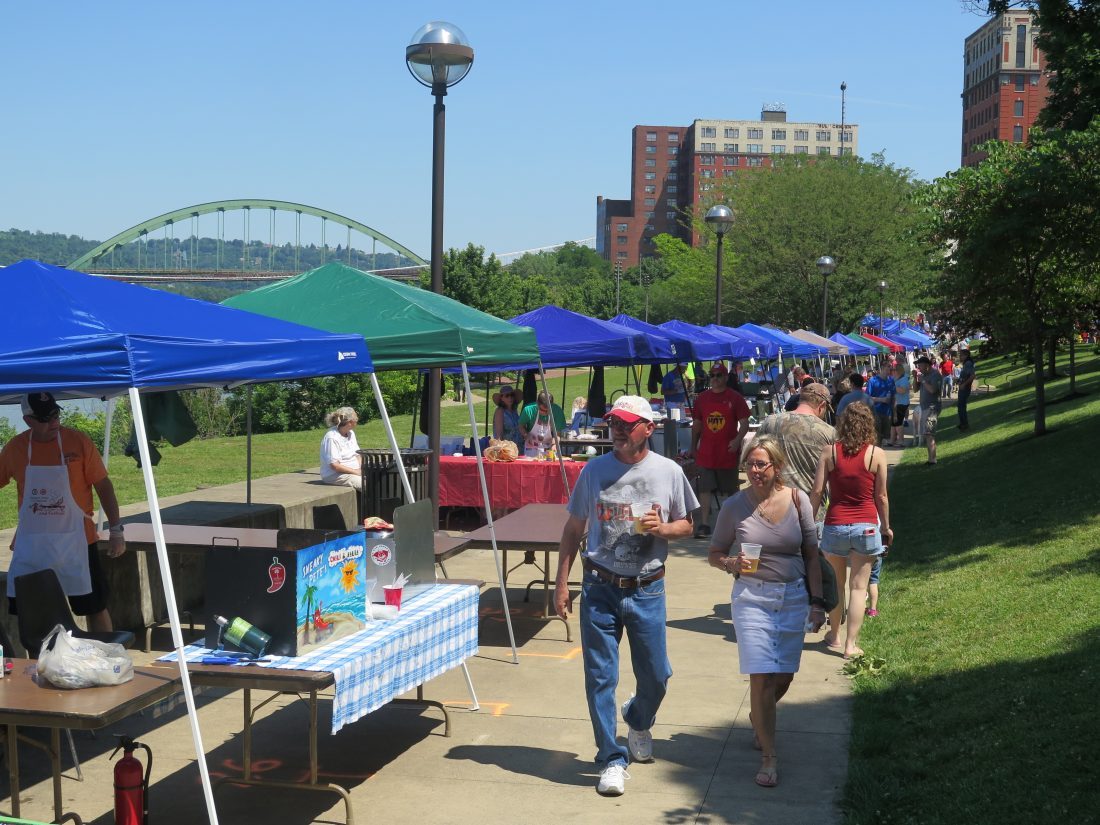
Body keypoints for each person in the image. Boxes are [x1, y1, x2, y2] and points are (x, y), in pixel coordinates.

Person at [553, 396, 697, 796]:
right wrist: (562, 583)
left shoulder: (668, 472)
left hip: (648, 588)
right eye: (613, 422)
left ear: (648, 428)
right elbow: (572, 530)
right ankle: (611, 759)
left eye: (627, 424)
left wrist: (662, 530)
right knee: (600, 677)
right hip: (599, 586)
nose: (617, 429)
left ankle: (637, 717)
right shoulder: (594, 471)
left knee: (657, 675)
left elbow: (688, 525)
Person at [708, 436, 826, 789]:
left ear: (777, 467)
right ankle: (769, 757)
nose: (755, 470)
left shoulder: (797, 499)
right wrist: (732, 562)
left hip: (792, 597)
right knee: (760, 675)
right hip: (751, 598)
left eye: (762, 464)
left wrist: (817, 602)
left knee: (783, 676)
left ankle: (759, 716)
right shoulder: (733, 506)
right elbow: (714, 553)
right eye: (750, 464)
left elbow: (811, 554)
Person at [0, 392, 126, 633]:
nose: (54, 422)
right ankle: (43, 663)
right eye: (45, 418)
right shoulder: (16, 448)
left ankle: (106, 660)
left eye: (56, 414)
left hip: (78, 542)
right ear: (28, 420)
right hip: (33, 546)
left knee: (94, 605)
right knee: (34, 610)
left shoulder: (78, 442)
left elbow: (104, 485)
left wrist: (117, 530)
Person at [810, 403, 891, 659]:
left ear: (842, 424)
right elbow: (882, 496)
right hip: (866, 526)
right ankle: (850, 645)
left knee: (836, 585)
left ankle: (833, 635)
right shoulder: (876, 455)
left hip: (835, 525)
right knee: (859, 588)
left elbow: (816, 491)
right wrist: (886, 527)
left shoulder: (829, 452)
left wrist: (808, 522)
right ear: (870, 425)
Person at [689, 362, 751, 539]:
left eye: (718, 375)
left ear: (725, 377)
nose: (715, 379)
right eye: (712, 375)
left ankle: (736, 522)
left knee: (731, 488)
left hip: (727, 451)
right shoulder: (702, 398)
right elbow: (697, 425)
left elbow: (744, 423)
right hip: (707, 451)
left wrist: (737, 440)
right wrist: (694, 446)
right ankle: (704, 524)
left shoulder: (735, 398)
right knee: (705, 487)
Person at [753, 382, 835, 500]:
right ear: (822, 405)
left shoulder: (770, 422)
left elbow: (753, 455)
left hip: (774, 502)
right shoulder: (829, 432)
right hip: (812, 505)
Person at [319, 407, 362, 489]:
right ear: (350, 422)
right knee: (368, 484)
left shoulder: (350, 433)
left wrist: (361, 468)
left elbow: (357, 455)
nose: (357, 421)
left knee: (378, 478)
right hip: (336, 475)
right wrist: (356, 472)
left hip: (354, 472)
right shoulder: (332, 437)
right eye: (356, 419)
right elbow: (335, 466)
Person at [519, 391, 566, 458]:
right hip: (531, 446)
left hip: (549, 447)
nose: (545, 413)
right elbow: (521, 426)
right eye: (542, 410)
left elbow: (557, 434)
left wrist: (554, 444)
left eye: (548, 410)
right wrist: (526, 435)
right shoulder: (528, 410)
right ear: (537, 403)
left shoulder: (558, 411)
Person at [915, 355, 942, 465]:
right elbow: (916, 389)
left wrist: (923, 380)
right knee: (927, 434)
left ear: (926, 365)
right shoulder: (924, 375)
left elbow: (932, 390)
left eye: (919, 365)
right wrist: (916, 378)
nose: (918, 368)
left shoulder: (935, 375)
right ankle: (930, 459)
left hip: (932, 408)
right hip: (925, 408)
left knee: (930, 434)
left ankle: (933, 460)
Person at [865, 363, 895, 448]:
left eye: (891, 367)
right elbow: (867, 397)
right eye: (888, 366)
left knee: (886, 437)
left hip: (888, 413)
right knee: (876, 437)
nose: (890, 369)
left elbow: (894, 396)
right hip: (875, 413)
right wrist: (881, 399)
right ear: (882, 368)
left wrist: (894, 411)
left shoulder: (891, 380)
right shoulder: (873, 380)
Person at [492, 384, 523, 453]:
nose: (510, 398)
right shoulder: (500, 411)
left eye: (512, 395)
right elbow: (498, 434)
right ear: (502, 398)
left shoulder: (514, 410)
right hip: (507, 449)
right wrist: (500, 449)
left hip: (519, 448)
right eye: (507, 396)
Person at [889, 363, 911, 448]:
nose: (892, 371)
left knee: (898, 423)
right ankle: (892, 440)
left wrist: (893, 386)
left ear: (898, 371)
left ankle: (901, 441)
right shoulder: (896, 378)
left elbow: (902, 391)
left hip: (901, 403)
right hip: (896, 403)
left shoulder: (904, 379)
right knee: (893, 423)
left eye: (894, 370)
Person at [957, 349, 976, 432]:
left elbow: (972, 376)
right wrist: (959, 380)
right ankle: (963, 423)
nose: (960, 357)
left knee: (961, 406)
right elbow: (966, 376)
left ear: (966, 355)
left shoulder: (968, 363)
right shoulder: (966, 364)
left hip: (965, 388)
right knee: (961, 406)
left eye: (961, 355)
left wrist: (964, 384)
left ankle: (964, 424)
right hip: (963, 387)